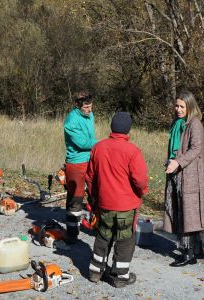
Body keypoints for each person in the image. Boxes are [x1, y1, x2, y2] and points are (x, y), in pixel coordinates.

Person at [85, 112, 149, 287]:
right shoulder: (133, 151)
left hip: (104, 204)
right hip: (126, 206)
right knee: (125, 240)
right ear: (128, 130)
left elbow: (90, 177)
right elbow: (140, 179)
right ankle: (120, 277)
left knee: (103, 236)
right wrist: (142, 191)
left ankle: (95, 272)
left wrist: (94, 197)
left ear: (112, 127)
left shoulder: (98, 147)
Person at [163, 90, 204, 267]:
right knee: (183, 209)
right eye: (177, 105)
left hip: (189, 174)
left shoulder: (194, 124)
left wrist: (178, 162)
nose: (178, 109)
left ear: (190, 106)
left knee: (187, 212)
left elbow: (196, 149)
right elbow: (176, 147)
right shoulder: (177, 123)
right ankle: (197, 249)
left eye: (182, 106)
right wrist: (170, 161)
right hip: (176, 171)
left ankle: (189, 254)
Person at [63, 91, 97, 243]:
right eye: (86, 107)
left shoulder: (90, 116)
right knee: (75, 199)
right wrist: (99, 145)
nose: (89, 109)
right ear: (77, 105)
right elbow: (82, 142)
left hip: (90, 160)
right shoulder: (71, 120)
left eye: (90, 106)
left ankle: (96, 227)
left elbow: (90, 137)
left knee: (95, 195)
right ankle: (71, 232)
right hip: (76, 162)